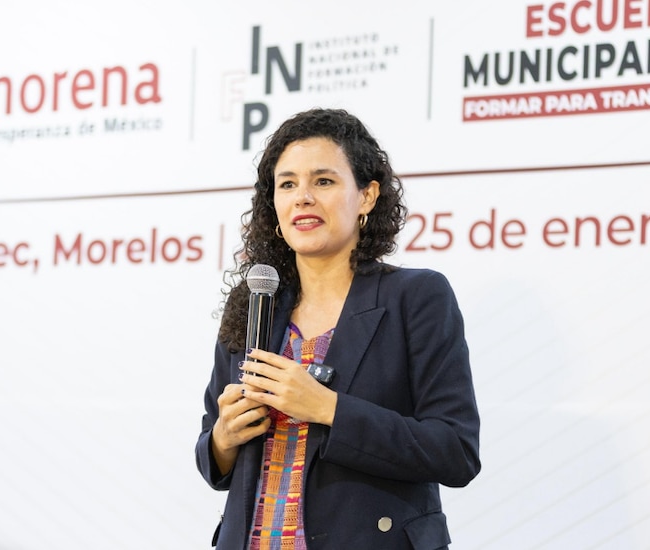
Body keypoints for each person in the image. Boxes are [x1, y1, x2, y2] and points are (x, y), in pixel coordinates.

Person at [195, 108, 480, 550]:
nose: (303, 197)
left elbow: (455, 450)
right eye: (287, 184)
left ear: (366, 196)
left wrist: (328, 408)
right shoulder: (254, 304)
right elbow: (211, 454)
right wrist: (223, 438)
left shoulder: (417, 296)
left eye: (323, 181)